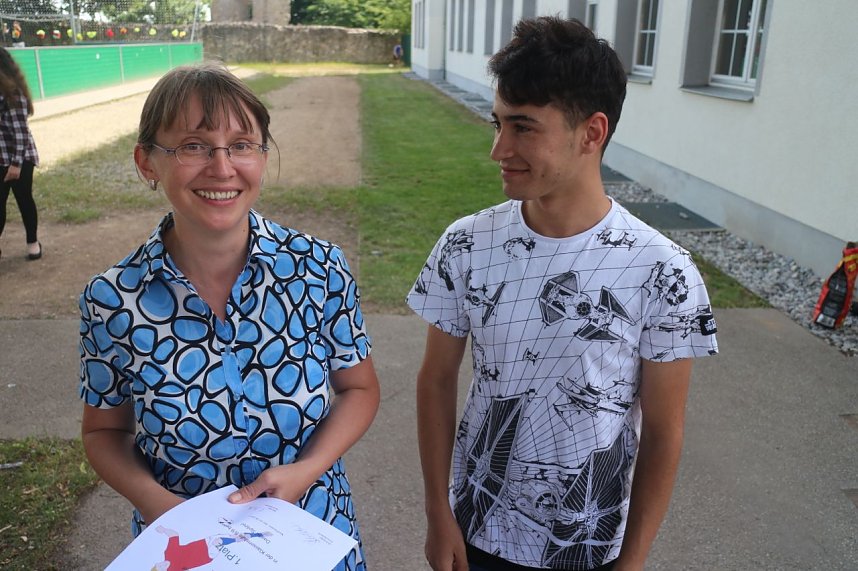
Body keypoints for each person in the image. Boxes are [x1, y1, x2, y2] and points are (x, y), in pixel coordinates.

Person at [406, 17, 718, 571]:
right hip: (474, 527)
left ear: (591, 133)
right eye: (497, 123)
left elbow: (665, 433)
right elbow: (435, 379)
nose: (499, 148)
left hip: (588, 546)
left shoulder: (662, 272)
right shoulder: (466, 244)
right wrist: (438, 511)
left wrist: (634, 558)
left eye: (523, 128)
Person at [78, 62, 380, 571]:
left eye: (242, 145)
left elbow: (359, 389)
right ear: (147, 162)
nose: (222, 167)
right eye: (193, 146)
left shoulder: (318, 268)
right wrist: (162, 509)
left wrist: (307, 470)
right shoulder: (112, 300)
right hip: (183, 549)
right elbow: (104, 433)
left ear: (262, 156)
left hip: (312, 534)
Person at [0, 46, 41, 261]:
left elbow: (20, 133)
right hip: (2, 159)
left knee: (24, 199)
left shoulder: (12, 95)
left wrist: (15, 165)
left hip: (19, 160)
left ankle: (33, 243)